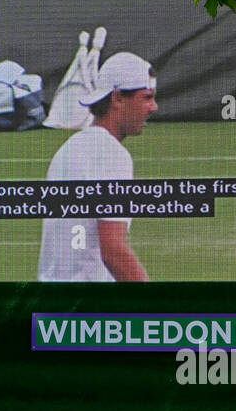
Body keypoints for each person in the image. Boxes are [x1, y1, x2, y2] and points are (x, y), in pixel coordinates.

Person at [38, 53, 157, 283]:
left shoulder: (70, 148)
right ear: (118, 98)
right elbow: (113, 250)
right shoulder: (111, 154)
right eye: (147, 97)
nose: (153, 107)